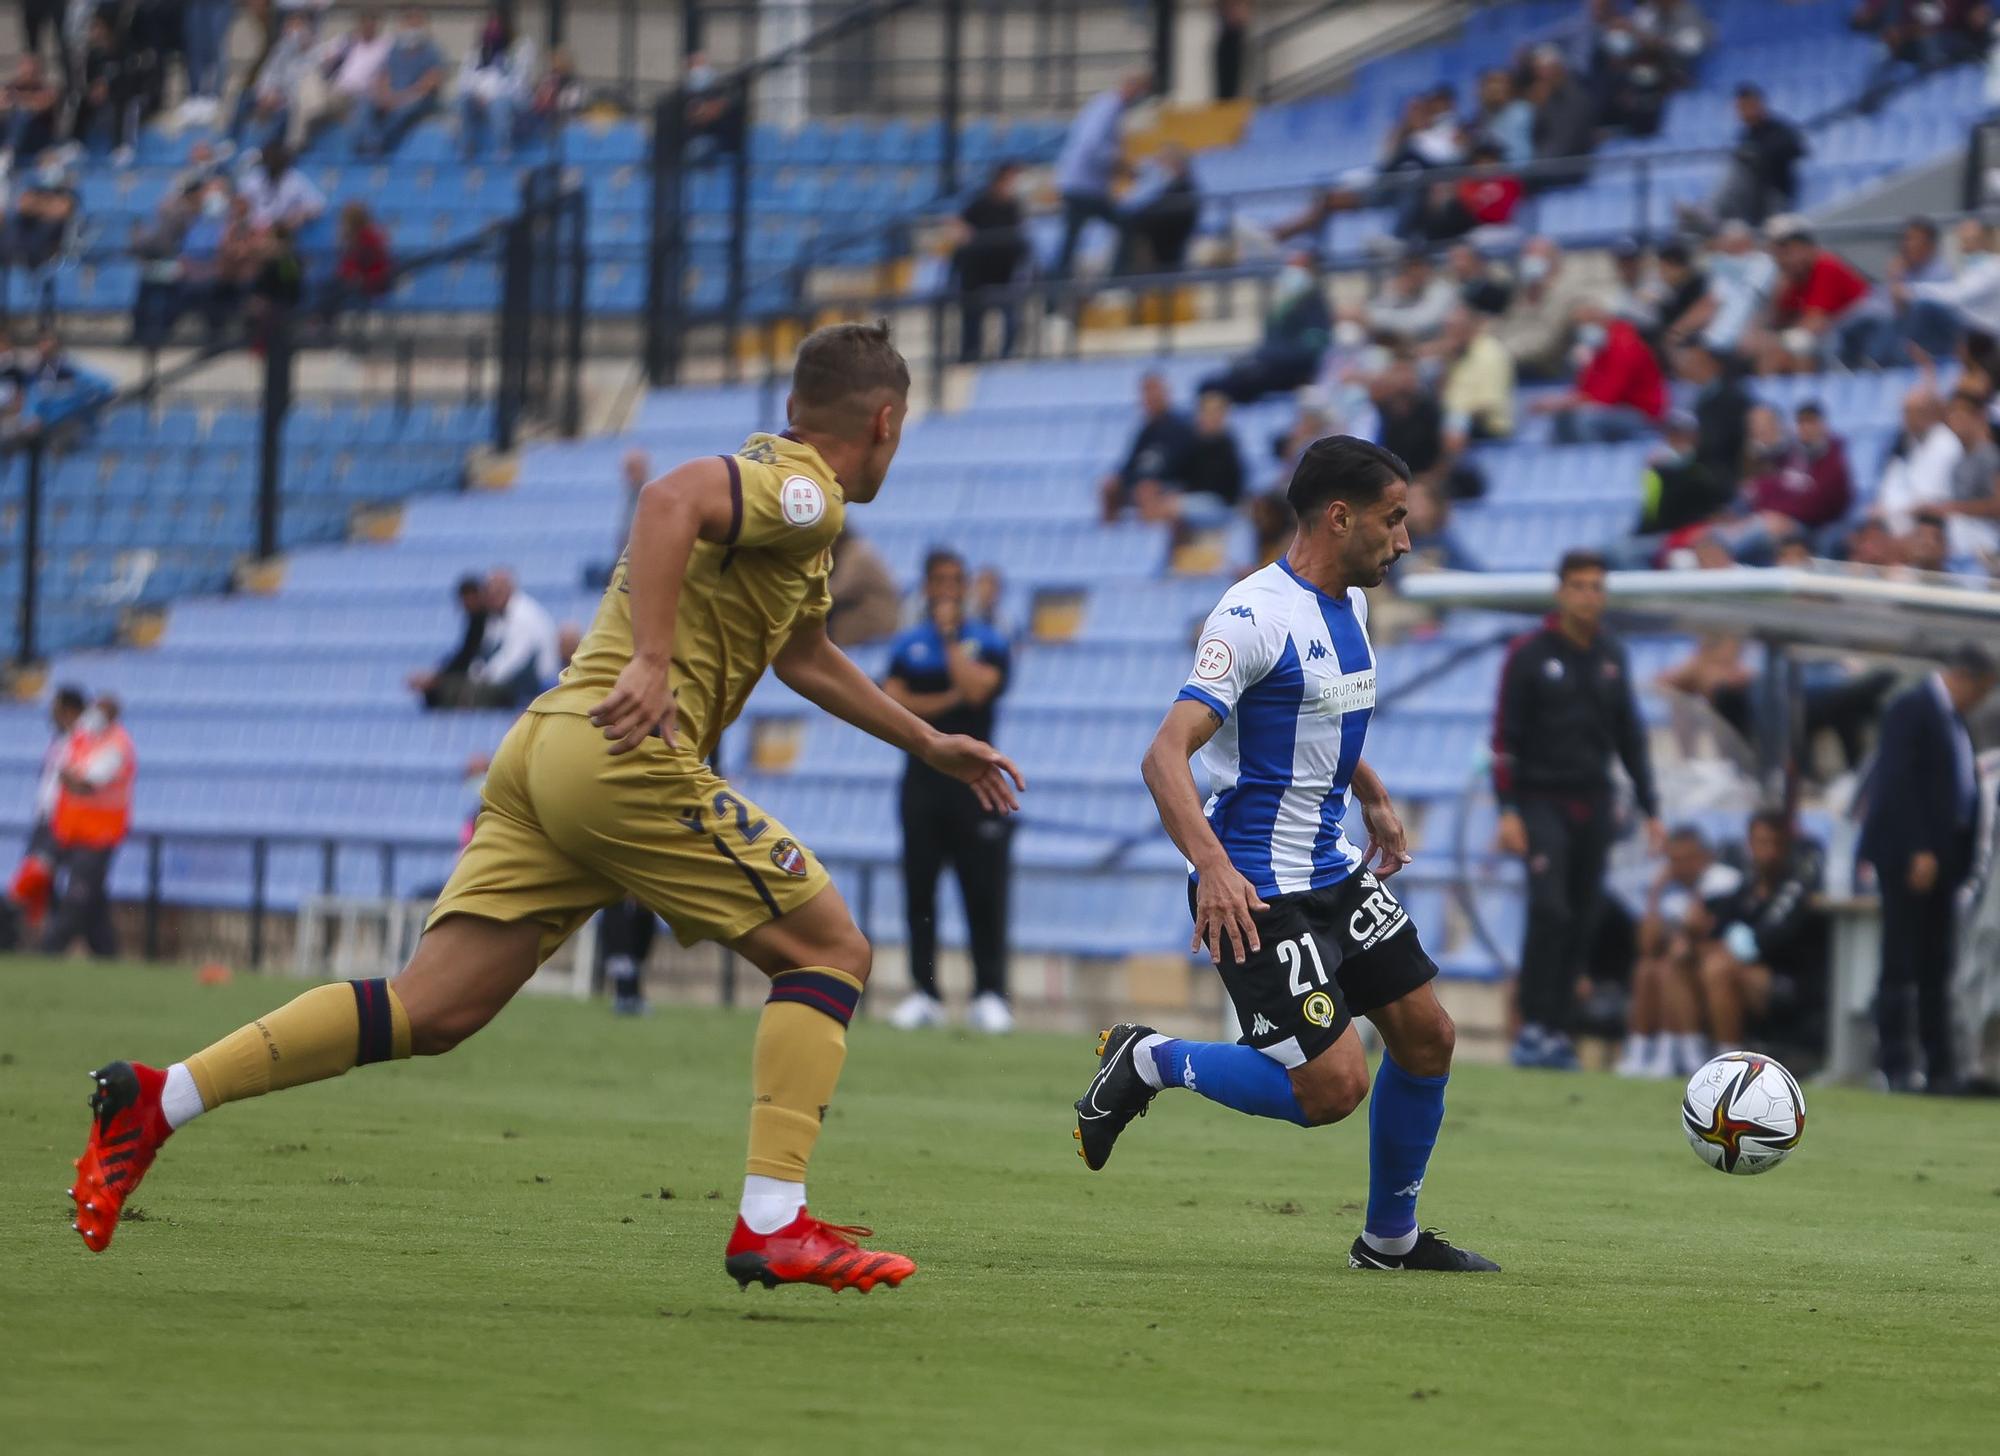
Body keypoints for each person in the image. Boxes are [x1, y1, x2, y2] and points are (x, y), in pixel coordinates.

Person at [67, 322, 1025, 1294]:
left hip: (548, 749)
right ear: (887, 419)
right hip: (624, 756)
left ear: (789, 409)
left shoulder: (785, 511)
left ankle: (160, 1097)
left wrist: (926, 741)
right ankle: (772, 1218)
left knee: (430, 1008)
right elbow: (666, 499)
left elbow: (803, 654)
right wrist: (652, 660)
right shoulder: (809, 494)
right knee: (829, 948)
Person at [1075, 435, 1498, 1274]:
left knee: (1428, 1039)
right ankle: (1151, 1058)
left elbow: (1316, 714)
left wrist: (1370, 788)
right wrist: (1216, 870)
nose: (1404, 540)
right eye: (1393, 520)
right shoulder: (1251, 616)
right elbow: (1165, 757)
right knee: (1334, 1088)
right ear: (1339, 517)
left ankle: (1388, 1243)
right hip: (1257, 883)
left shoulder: (1354, 602)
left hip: (1332, 867)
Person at [1493, 550, 1665, 1069]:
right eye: (1580, 586)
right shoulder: (1528, 655)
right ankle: (1534, 1024)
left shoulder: (1612, 656)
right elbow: (1504, 741)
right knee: (1550, 909)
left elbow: (1630, 738)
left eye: (1597, 586)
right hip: (1542, 801)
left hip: (1595, 804)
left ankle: (1558, 1030)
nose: (1590, 596)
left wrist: (1651, 807)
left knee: (1583, 918)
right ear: (1562, 591)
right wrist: (1507, 810)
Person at [882, 550, 1015, 1034]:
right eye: (938, 580)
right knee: (920, 892)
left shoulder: (986, 640)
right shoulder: (909, 645)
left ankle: (989, 993)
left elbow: (978, 691)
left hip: (977, 786)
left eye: (954, 580)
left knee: (983, 892)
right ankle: (926, 991)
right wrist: (946, 704)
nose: (946, 590)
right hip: (921, 784)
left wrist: (951, 640)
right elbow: (892, 701)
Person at [1860, 646, 1997, 1093]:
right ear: (1967, 678)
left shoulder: (1954, 720)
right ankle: (1894, 1063)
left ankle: (1939, 1067)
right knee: (1900, 961)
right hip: (1910, 858)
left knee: (1936, 965)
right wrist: (1918, 847)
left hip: (1944, 860)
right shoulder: (1911, 707)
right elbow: (1896, 781)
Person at [1615, 826, 1743, 1078]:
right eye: (1674, 859)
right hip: (1684, 961)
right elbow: (1647, 946)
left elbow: (1706, 928)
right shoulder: (1667, 888)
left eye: (1687, 858)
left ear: (1705, 858)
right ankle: (1645, 1050)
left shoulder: (1723, 880)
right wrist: (1654, 895)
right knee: (1646, 968)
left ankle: (1691, 1054)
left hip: (1725, 957)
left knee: (1672, 964)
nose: (1679, 866)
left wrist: (1694, 902)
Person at [1696, 811, 1828, 1054]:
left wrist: (1720, 950)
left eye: (1774, 843)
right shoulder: (1746, 887)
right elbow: (1715, 933)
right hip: (1745, 971)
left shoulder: (1794, 888)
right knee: (1669, 966)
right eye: (1760, 842)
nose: (1768, 852)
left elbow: (1761, 943)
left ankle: (1729, 1061)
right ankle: (1677, 1053)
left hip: (1790, 983)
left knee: (1718, 970)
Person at [43, 695, 136, 960]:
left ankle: (49, 949)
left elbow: (86, 782)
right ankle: (107, 953)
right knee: (93, 899)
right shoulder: (86, 739)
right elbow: (63, 772)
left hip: (100, 834)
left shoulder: (116, 744)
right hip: (73, 831)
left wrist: (71, 778)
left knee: (78, 894)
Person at [1051, 70, 1151, 289]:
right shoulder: (1109, 108)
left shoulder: (1106, 106)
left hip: (1081, 184)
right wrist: (1122, 165)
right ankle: (1115, 281)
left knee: (1071, 241)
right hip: (1084, 187)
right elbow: (1092, 146)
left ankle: (1055, 294)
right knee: (1125, 224)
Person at [1198, 251, 1331, 403]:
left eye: (1296, 266)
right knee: (1211, 384)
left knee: (1221, 386)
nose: (1290, 270)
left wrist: (1268, 359)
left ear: (1310, 271)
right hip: (1269, 365)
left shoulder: (1314, 303)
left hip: (1290, 370)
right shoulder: (1285, 301)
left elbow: (1314, 346)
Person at [1529, 302, 1667, 444]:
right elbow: (1586, 390)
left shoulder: (1625, 345)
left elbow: (1605, 398)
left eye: (1587, 322)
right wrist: (1561, 403)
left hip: (1642, 414)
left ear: (1601, 318)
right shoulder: (1600, 348)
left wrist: (1558, 403)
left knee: (1584, 419)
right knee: (1562, 418)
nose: (1582, 329)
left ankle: (1591, 460)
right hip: (1615, 409)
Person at [10, 683, 86, 934]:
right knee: (43, 885)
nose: (52, 713)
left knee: (35, 874)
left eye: (57, 707)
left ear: (69, 710)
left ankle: (14, 924)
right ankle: (39, 938)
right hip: (45, 818)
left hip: (61, 820)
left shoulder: (82, 740)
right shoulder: (60, 740)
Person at [1756, 220, 1871, 374]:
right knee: (1771, 349)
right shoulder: (1793, 279)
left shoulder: (1826, 265)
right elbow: (1775, 321)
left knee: (1798, 344)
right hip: (1834, 341)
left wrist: (1774, 340)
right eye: (1777, 253)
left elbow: (1814, 324)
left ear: (1808, 247)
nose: (1782, 259)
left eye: (1787, 250)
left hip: (1858, 342)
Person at [951, 161, 1029, 362]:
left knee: (1011, 316)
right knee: (972, 320)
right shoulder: (979, 203)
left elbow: (1020, 238)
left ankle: (1007, 356)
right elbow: (958, 225)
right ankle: (970, 356)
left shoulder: (1014, 207)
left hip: (1003, 274)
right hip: (976, 274)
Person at [1099, 371, 1194, 521]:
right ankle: (1110, 539)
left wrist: (1157, 483)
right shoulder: (1145, 431)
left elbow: (1187, 465)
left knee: (1147, 490)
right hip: (1141, 485)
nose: (1150, 397)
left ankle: (1153, 541)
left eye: (1154, 391)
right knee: (1109, 487)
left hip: (1169, 486)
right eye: (1146, 392)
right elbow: (1130, 466)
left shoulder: (1181, 428)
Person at [1711, 84, 1805, 226]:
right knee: (1735, 168)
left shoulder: (1778, 129)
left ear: (1758, 104)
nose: (1742, 112)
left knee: (1736, 169)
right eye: (1740, 108)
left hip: (1774, 194)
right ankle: (1714, 216)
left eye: (1746, 106)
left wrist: (1758, 155)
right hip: (1750, 198)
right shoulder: (1745, 135)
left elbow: (1797, 151)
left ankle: (1711, 214)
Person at [466, 567, 559, 709]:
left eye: (498, 591)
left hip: (535, 683)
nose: (492, 596)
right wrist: (475, 675)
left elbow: (513, 659)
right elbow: (486, 651)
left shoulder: (524, 615)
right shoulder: (495, 617)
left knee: (472, 696)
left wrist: (482, 679)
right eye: (489, 591)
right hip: (512, 681)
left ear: (510, 588)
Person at [357, 7, 443, 158]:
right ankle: (368, 143)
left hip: (418, 98)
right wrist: (385, 95)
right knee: (366, 103)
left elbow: (430, 83)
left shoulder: (432, 52)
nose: (412, 29)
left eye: (416, 25)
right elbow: (383, 77)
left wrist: (401, 98)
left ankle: (380, 145)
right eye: (409, 24)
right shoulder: (394, 51)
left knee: (403, 110)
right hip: (394, 96)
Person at [456, 5, 535, 161]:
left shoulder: (520, 48)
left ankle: (503, 148)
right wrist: (478, 94)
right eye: (490, 24)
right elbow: (465, 80)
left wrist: (490, 96)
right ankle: (467, 147)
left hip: (512, 100)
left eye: (497, 25)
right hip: (481, 98)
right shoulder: (477, 51)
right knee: (463, 99)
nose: (493, 29)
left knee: (499, 104)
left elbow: (518, 82)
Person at [407, 575, 490, 711]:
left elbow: (468, 655)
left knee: (437, 693)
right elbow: (464, 653)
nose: (467, 603)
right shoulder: (474, 620)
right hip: (472, 673)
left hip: (481, 676)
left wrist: (437, 677)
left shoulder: (484, 621)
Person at [1118, 144, 1200, 274]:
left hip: (1169, 242)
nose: (1161, 166)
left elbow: (1172, 212)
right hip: (1160, 239)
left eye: (1164, 161)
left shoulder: (1183, 187)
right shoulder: (1168, 184)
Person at [825, 528, 900, 647]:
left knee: (822, 629)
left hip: (876, 617)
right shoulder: (850, 550)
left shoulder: (855, 553)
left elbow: (837, 590)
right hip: (862, 611)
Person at [240, 143, 326, 232]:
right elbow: (241, 199)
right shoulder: (256, 175)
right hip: (252, 230)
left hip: (280, 231)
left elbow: (318, 205)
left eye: (276, 159)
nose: (272, 162)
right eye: (270, 159)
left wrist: (298, 216)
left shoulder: (295, 180)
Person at [333, 201, 392, 303]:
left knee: (332, 288)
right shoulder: (357, 236)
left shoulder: (368, 237)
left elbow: (363, 263)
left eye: (345, 220)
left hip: (373, 281)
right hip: (362, 279)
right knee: (329, 285)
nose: (342, 223)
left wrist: (349, 274)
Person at [1213, 0, 1251, 102]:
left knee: (1236, 82)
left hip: (1235, 36)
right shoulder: (1225, 42)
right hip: (1228, 37)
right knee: (1226, 85)